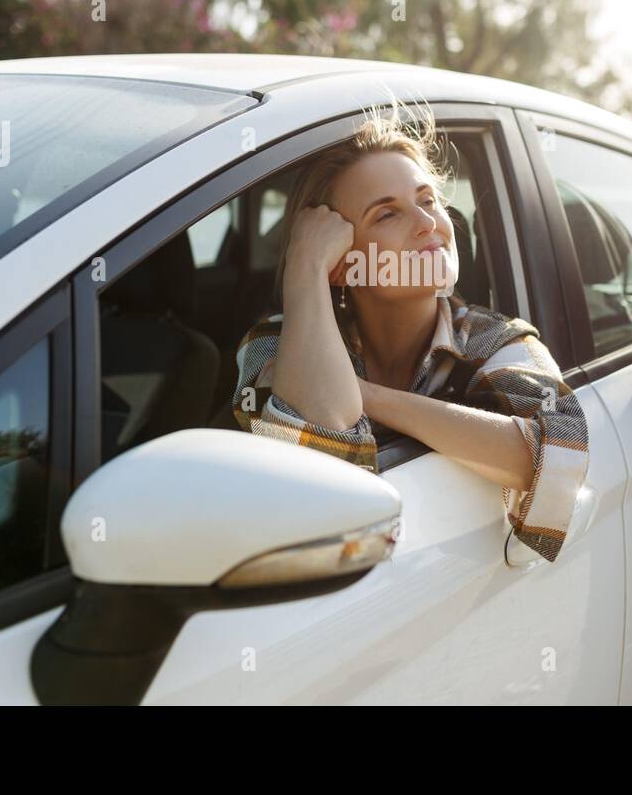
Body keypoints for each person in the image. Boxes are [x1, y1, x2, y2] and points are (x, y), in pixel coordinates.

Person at [231, 103, 588, 563]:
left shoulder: (493, 340)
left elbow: (555, 455)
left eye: (427, 200)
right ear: (341, 261)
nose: (428, 224)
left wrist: (366, 395)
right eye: (387, 215)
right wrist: (306, 267)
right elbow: (313, 461)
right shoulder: (275, 344)